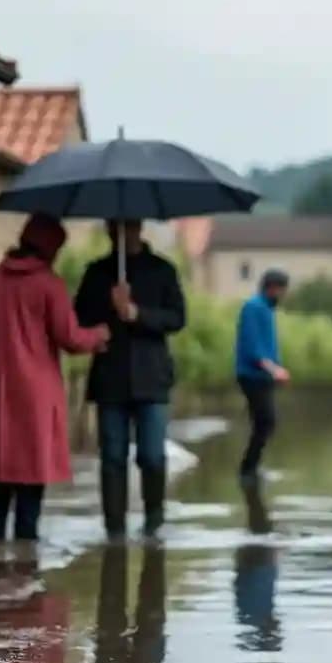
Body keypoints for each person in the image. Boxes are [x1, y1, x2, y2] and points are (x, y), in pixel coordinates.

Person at [0, 214, 110, 541]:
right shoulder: (49, 286)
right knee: (30, 481)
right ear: (51, 249)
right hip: (37, 396)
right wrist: (98, 335)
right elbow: (70, 338)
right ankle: (26, 572)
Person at [74, 219, 187, 539]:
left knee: (151, 454)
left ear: (138, 229)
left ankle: (154, 519)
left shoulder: (162, 271)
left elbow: (177, 317)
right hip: (111, 376)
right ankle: (115, 527)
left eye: (126, 229)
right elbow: (79, 317)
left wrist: (138, 314)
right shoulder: (96, 273)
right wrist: (108, 310)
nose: (119, 235)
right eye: (114, 229)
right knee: (112, 456)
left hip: (152, 378)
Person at [234, 270, 289, 485]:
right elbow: (252, 345)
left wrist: (275, 369)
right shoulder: (253, 307)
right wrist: (273, 369)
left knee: (263, 422)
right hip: (252, 375)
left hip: (263, 376)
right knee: (266, 421)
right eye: (282, 290)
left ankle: (252, 468)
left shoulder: (266, 309)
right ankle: (247, 470)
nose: (283, 295)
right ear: (272, 288)